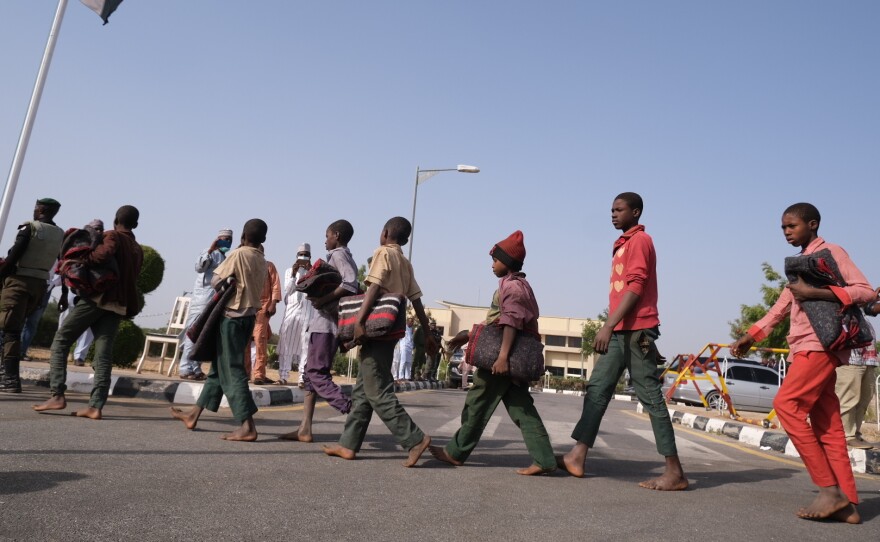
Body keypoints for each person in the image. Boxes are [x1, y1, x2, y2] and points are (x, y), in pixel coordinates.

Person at [730, 202, 873, 524]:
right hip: (804, 346)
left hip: (819, 345)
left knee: (787, 406)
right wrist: (751, 336)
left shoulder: (831, 252)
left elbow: (864, 291)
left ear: (812, 224)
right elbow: (781, 307)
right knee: (829, 425)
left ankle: (828, 489)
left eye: (791, 226)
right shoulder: (800, 264)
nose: (786, 232)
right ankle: (849, 504)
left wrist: (818, 293)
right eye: (783, 227)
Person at [558, 192, 688, 491]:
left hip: (637, 331)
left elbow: (637, 286)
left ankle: (675, 471)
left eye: (619, 210)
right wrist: (615, 328)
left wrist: (607, 325)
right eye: (612, 210)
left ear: (636, 212)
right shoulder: (623, 243)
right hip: (622, 332)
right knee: (598, 388)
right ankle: (577, 456)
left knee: (650, 395)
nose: (613, 214)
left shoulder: (640, 240)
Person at [430, 231, 556, 475]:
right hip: (510, 360)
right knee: (522, 409)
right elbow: (497, 322)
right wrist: (468, 335)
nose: (492, 265)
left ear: (507, 262)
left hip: (502, 361)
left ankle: (456, 452)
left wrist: (502, 357)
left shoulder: (513, 287)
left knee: (477, 402)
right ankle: (545, 459)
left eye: (495, 260)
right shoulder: (516, 285)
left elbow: (510, 323)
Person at [322, 217, 436, 466]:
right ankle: (348, 444)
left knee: (377, 392)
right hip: (391, 330)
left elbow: (373, 288)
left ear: (385, 233)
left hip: (376, 329)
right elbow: (416, 300)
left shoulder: (383, 253)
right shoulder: (405, 262)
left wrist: (359, 321)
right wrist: (427, 333)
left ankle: (414, 439)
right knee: (363, 391)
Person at [32, 205, 144, 416]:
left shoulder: (112, 236)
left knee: (61, 341)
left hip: (98, 298)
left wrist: (82, 259)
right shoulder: (137, 249)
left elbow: (103, 254)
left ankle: (57, 395)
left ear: (115, 220)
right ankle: (95, 406)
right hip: (118, 305)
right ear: (135, 225)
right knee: (103, 355)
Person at [169, 219, 269, 441]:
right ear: (263, 239)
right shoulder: (262, 259)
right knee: (217, 369)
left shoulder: (238, 254)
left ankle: (248, 426)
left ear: (243, 236)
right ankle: (193, 415)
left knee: (233, 370)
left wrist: (228, 281)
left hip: (231, 318)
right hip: (249, 318)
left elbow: (216, 279)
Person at [280, 220, 357, 442]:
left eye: (327, 235)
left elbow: (350, 284)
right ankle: (304, 428)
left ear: (337, 235)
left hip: (326, 326)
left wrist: (323, 299)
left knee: (316, 373)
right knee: (309, 377)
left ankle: (351, 408)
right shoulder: (341, 256)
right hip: (320, 324)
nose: (325, 240)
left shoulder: (339, 255)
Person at [0, 198, 64, 393]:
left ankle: (10, 379)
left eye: (36, 208)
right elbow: (62, 265)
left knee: (10, 331)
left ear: (41, 209)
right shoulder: (59, 234)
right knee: (13, 329)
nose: (34, 211)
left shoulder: (30, 228)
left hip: (18, 283)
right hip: (39, 287)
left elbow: (14, 256)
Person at [178, 229, 234, 380]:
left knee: (203, 334)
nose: (227, 242)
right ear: (218, 239)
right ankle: (185, 368)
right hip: (202, 299)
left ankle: (196, 369)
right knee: (194, 333)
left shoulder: (224, 257)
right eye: (224, 239)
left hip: (213, 300)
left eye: (229, 240)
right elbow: (199, 267)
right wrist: (210, 249)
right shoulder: (209, 252)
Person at [836, 320, 877, 450]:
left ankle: (855, 434)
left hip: (868, 360)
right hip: (849, 359)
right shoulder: (842, 311)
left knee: (864, 399)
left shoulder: (862, 313)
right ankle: (847, 436)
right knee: (848, 400)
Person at [277, 243, 314, 386]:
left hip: (307, 313)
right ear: (297, 256)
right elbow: (289, 290)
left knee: (306, 346)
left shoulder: (314, 272)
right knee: (286, 342)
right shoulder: (289, 271)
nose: (303, 257)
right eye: (301, 254)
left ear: (310, 257)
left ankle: (302, 377)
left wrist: (311, 272)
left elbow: (315, 288)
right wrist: (293, 273)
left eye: (306, 255)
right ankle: (283, 376)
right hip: (291, 311)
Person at [250, 257, 281, 385]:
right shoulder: (248, 263)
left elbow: (275, 285)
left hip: (263, 307)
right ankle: (245, 372)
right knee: (246, 340)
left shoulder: (268, 266)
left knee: (259, 339)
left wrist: (273, 304)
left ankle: (259, 374)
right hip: (247, 307)